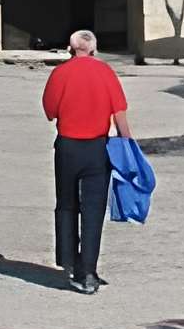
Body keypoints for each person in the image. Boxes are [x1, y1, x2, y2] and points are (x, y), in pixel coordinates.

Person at [40, 29, 132, 295]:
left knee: (67, 205)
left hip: (68, 148)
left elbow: (50, 112)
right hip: (97, 149)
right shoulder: (105, 73)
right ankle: (88, 272)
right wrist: (129, 145)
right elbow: (120, 114)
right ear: (94, 49)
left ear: (70, 49)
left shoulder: (60, 73)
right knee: (93, 210)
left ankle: (68, 262)